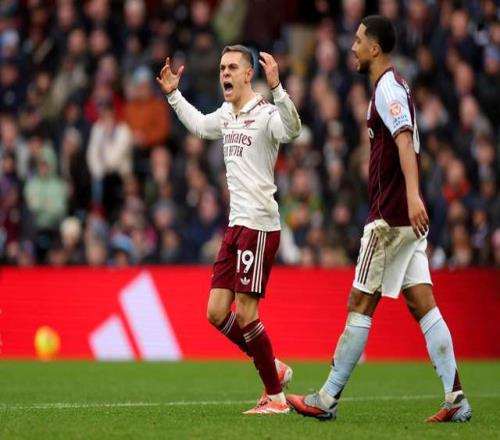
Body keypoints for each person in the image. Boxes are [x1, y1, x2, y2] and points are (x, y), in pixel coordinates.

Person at [287, 16, 472, 423]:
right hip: (404, 218)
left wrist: (412, 196)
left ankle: (327, 398)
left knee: (360, 302)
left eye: (358, 41)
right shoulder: (392, 86)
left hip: (390, 218)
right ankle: (456, 396)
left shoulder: (388, 87)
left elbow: (404, 141)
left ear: (375, 48)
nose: (352, 47)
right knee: (423, 303)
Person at [157, 45, 301, 414]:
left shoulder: (265, 113)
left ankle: (276, 398)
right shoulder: (226, 114)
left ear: (249, 74)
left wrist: (278, 88)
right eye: (222, 67)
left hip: (259, 225)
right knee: (217, 312)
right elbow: (198, 125)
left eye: (232, 67)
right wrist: (173, 95)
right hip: (236, 225)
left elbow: (292, 130)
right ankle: (272, 366)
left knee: (248, 314)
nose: (225, 73)